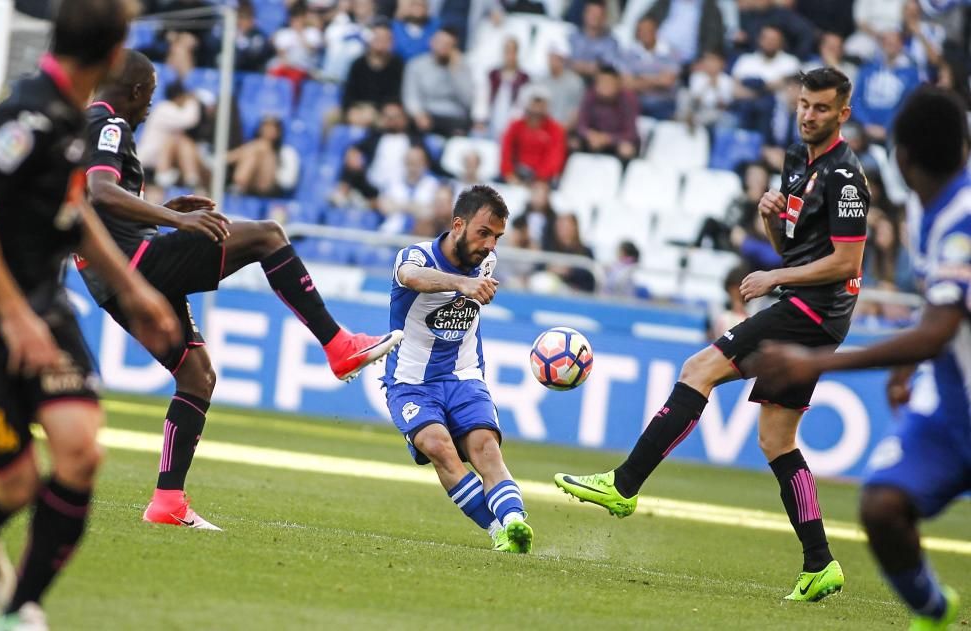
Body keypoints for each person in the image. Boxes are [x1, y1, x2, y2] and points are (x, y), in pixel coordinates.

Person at [555, 67, 868, 602]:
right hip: (806, 308)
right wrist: (770, 218)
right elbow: (795, 248)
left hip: (815, 311)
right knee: (776, 439)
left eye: (820, 108)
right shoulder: (798, 161)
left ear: (843, 114)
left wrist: (775, 277)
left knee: (698, 369)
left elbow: (847, 261)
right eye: (803, 104)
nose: (808, 115)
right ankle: (820, 562)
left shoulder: (845, 177)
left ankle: (624, 484)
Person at [78, 50, 403, 530]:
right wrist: (176, 219)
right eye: (150, 95)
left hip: (110, 278)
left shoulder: (83, 126)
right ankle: (338, 345)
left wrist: (165, 207)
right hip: (135, 265)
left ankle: (168, 501)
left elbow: (96, 203)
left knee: (196, 376)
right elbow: (99, 191)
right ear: (138, 91)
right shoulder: (110, 125)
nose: (150, 108)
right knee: (267, 234)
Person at [0, 1, 182, 628]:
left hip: (44, 307)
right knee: (11, 486)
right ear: (115, 55)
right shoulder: (25, 115)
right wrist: (12, 314)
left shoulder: (73, 118)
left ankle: (19, 611)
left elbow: (75, 211)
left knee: (80, 452)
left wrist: (135, 289)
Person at [752, 86, 967, 630]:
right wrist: (904, 369)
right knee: (881, 507)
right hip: (952, 407)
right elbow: (940, 312)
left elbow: (938, 330)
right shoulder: (927, 212)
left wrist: (814, 363)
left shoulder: (959, 217)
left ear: (901, 156)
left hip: (947, 392)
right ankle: (935, 612)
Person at [383, 185, 534, 553]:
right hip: (412, 381)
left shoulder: (486, 262)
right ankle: (497, 530)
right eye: (484, 233)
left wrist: (471, 282)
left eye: (497, 237)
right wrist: (462, 284)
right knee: (438, 445)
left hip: (464, 375)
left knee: (486, 448)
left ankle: (515, 524)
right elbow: (413, 278)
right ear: (457, 225)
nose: (490, 245)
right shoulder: (414, 255)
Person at [401, 27, 474, 137]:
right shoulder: (416, 65)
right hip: (426, 114)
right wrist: (418, 114)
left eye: (448, 44)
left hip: (454, 117)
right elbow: (411, 96)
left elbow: (468, 100)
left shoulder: (463, 66)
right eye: (440, 42)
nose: (443, 47)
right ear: (431, 42)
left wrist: (455, 72)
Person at [499, 86, 566, 185]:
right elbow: (506, 151)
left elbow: (555, 158)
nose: (537, 109)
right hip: (516, 174)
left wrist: (539, 178)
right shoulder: (515, 126)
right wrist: (509, 173)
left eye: (541, 104)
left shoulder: (555, 129)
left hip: (542, 179)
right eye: (534, 103)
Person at [226, 116, 300, 196]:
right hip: (251, 183)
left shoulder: (286, 151)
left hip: (271, 186)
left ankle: (236, 180)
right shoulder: (253, 148)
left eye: (271, 127)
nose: (267, 130)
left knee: (261, 146)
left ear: (278, 131)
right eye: (265, 126)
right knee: (253, 155)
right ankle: (238, 185)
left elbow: (287, 181)